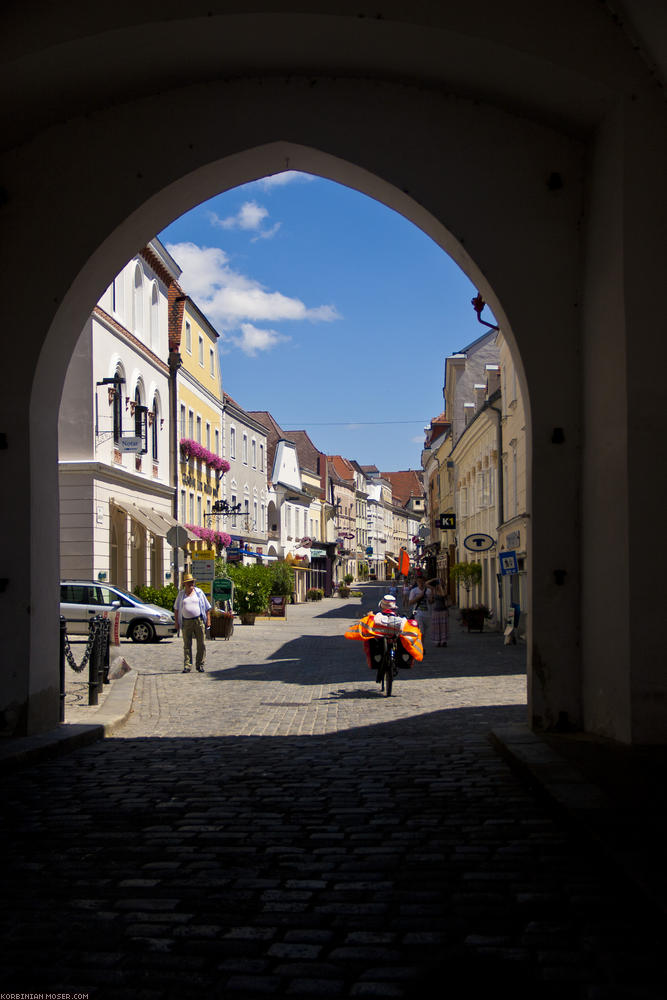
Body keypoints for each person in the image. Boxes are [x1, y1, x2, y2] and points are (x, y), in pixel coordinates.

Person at [173, 572, 211, 673]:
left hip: (198, 620)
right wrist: (176, 622)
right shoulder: (181, 595)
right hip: (186, 622)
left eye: (192, 582)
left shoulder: (199, 592)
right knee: (187, 644)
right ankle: (187, 665)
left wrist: (208, 621)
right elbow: (176, 609)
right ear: (184, 584)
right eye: (189, 582)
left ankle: (200, 664)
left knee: (201, 644)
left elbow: (207, 607)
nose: (191, 584)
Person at [408, 570, 431, 644]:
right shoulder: (414, 591)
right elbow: (410, 602)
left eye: (422, 582)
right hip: (418, 613)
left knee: (424, 632)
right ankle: (420, 647)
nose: (420, 583)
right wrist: (419, 596)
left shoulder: (428, 591)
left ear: (424, 582)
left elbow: (431, 602)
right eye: (419, 582)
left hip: (427, 613)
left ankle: (421, 645)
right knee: (421, 631)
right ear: (417, 582)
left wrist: (431, 597)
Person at [428, 577, 449, 646]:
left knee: (443, 627)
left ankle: (443, 641)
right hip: (436, 610)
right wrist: (434, 579)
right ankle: (437, 641)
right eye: (438, 583)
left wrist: (441, 587)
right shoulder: (434, 590)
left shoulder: (444, 590)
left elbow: (443, 595)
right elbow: (426, 584)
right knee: (436, 627)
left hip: (443, 610)